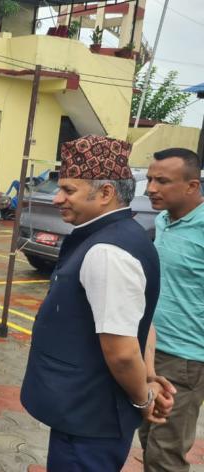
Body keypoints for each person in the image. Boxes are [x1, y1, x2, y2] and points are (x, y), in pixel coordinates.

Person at [21, 135, 175, 471]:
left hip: (89, 424)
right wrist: (149, 376)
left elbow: (122, 352)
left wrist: (143, 399)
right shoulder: (116, 235)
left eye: (69, 190)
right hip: (83, 415)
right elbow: (142, 323)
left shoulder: (108, 251)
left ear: (105, 193)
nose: (58, 198)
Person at [139, 147, 204, 472]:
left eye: (162, 181)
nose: (151, 188)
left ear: (192, 186)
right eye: (150, 179)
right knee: (147, 439)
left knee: (164, 455)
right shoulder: (163, 220)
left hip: (184, 359)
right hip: (148, 350)